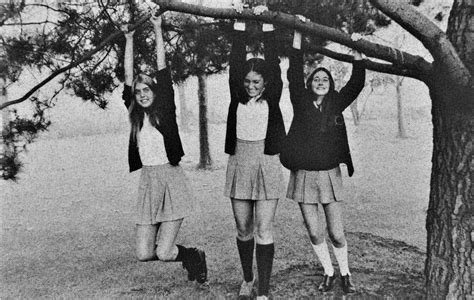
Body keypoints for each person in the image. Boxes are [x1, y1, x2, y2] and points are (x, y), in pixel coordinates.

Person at [121, 9, 207, 285]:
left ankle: (193, 255)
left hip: (170, 180)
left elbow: (162, 69)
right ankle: (188, 255)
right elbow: (127, 76)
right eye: (138, 91)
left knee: (165, 251)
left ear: (155, 92)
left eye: (147, 90)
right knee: (144, 253)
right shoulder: (135, 115)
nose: (143, 94)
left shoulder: (165, 110)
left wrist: (158, 29)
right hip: (148, 183)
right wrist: (129, 39)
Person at [280, 17, 366, 294]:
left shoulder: (337, 103)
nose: (320, 81)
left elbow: (356, 84)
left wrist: (357, 53)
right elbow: (293, 72)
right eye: (316, 78)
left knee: (337, 233)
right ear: (310, 83)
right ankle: (328, 272)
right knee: (315, 232)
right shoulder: (301, 101)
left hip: (329, 175)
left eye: (325, 78)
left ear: (330, 84)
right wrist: (298, 34)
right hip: (303, 175)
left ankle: (345, 272)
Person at [224, 2, 286, 299]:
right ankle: (247, 279)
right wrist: (238, 22)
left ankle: (262, 291)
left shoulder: (271, 97)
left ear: (265, 83)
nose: (250, 85)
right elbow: (236, 63)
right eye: (247, 81)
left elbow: (274, 64)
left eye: (256, 81)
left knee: (264, 229)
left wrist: (268, 24)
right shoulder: (237, 96)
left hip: (266, 161)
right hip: (239, 162)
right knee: (243, 227)